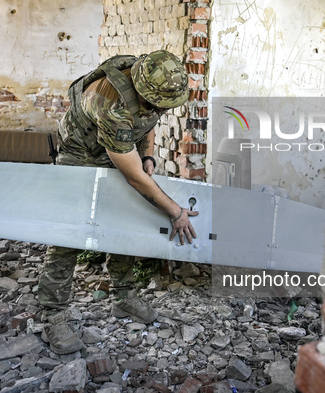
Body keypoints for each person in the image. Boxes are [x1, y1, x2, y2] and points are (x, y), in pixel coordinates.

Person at [38, 50, 198, 354]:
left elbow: (149, 119)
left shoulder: (148, 75)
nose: (159, 108)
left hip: (117, 144)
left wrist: (147, 155)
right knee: (68, 234)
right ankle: (52, 315)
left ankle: (124, 298)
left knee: (126, 220)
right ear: (141, 89)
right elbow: (135, 178)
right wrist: (176, 211)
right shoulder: (111, 106)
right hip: (80, 154)